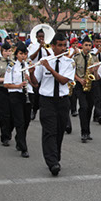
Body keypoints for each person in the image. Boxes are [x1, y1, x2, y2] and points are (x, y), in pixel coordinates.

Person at [31, 33, 75, 176]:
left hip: (62, 100)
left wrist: (50, 69)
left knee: (60, 130)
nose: (63, 48)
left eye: (64, 45)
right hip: (47, 100)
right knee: (50, 131)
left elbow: (63, 81)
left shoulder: (69, 63)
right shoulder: (44, 61)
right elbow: (35, 82)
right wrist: (31, 73)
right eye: (60, 45)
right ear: (53, 46)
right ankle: (52, 162)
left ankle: (55, 156)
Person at [4, 42, 32, 158]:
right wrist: (18, 86)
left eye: (25, 54)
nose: (23, 56)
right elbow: (6, 84)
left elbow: (33, 82)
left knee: (26, 121)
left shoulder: (28, 65)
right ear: (16, 54)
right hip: (15, 95)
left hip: (27, 94)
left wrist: (29, 78)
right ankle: (23, 147)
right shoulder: (11, 66)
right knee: (19, 121)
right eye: (21, 54)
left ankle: (18, 138)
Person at [73, 38, 96, 143]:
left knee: (90, 108)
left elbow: (98, 74)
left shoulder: (94, 58)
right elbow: (71, 72)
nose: (88, 47)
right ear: (82, 46)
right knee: (83, 107)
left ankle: (88, 131)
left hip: (90, 85)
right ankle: (83, 132)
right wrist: (79, 79)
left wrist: (94, 71)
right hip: (79, 84)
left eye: (89, 45)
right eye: (86, 45)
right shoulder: (76, 58)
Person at [90, 35, 101, 125]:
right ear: (93, 42)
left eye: (100, 42)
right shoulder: (91, 51)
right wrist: (97, 53)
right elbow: (90, 60)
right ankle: (99, 115)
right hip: (94, 75)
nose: (99, 44)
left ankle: (96, 114)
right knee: (97, 96)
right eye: (97, 42)